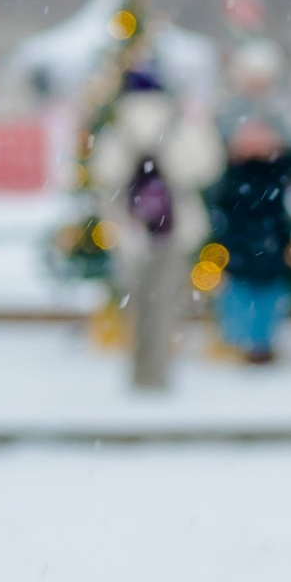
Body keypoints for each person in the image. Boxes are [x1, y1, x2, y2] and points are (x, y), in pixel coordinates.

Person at [88, 65, 221, 393]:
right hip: (175, 226)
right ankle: (159, 374)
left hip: (130, 228)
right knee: (166, 303)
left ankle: (138, 372)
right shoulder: (181, 123)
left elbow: (104, 173)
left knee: (135, 304)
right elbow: (205, 168)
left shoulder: (118, 125)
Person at [205, 111, 291, 364]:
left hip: (271, 243)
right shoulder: (230, 173)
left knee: (269, 293)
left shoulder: (279, 170)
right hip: (241, 245)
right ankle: (241, 340)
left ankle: (262, 342)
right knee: (241, 292)